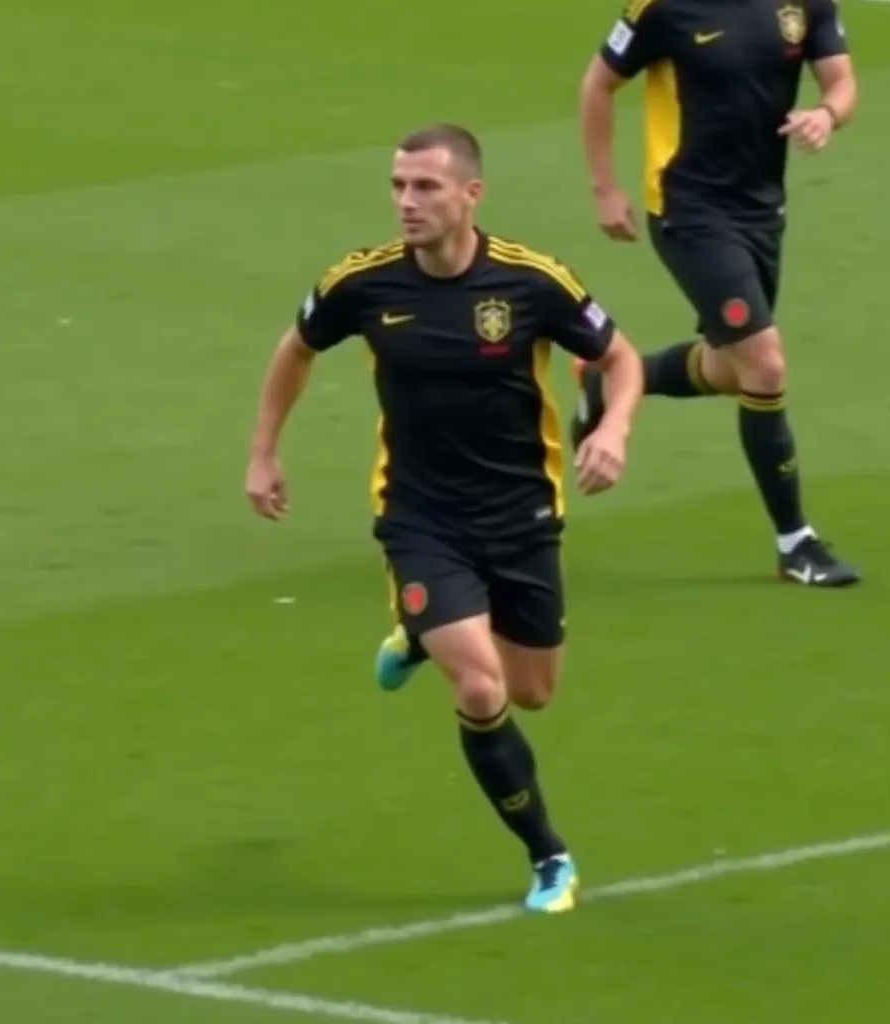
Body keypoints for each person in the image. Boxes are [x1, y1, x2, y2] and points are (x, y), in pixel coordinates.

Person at [245, 124, 643, 914]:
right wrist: (263, 452)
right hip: (421, 519)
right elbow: (295, 348)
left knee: (533, 692)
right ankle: (549, 858)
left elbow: (620, 357)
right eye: (398, 185)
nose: (407, 202)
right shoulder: (362, 283)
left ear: (471, 194)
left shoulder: (532, 282)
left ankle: (419, 636)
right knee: (481, 683)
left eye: (425, 187)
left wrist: (616, 428)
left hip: (523, 515)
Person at [571, 0, 861, 587]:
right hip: (689, 211)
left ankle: (613, 380)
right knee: (766, 363)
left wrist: (827, 114)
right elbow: (598, 85)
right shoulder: (662, 9)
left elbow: (843, 79)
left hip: (763, 212)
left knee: (734, 369)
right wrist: (605, 187)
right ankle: (795, 542)